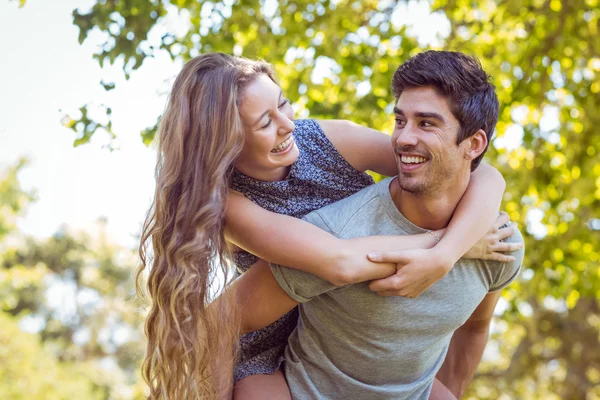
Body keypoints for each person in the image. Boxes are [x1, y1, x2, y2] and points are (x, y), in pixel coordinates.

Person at [136, 52, 521, 399]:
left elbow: (477, 173)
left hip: (359, 321)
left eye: (283, 104)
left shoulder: (321, 140)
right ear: (226, 141)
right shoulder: (228, 205)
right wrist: (444, 250)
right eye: (266, 121)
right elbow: (339, 263)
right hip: (280, 327)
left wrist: (449, 251)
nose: (287, 124)